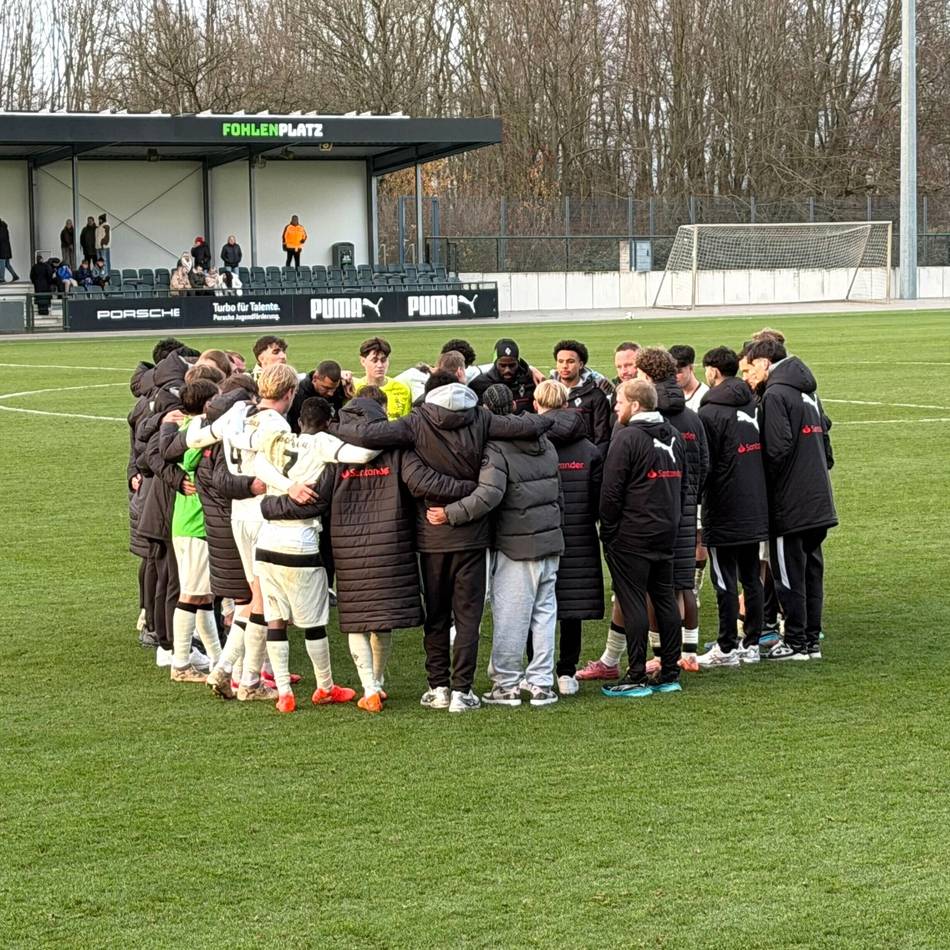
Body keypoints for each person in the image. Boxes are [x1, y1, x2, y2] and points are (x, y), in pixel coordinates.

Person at [334, 370, 555, 713]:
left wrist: (334, 425)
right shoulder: (481, 418)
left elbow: (368, 436)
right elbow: (527, 426)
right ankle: (462, 692)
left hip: (432, 536)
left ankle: (438, 687)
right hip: (473, 534)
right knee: (467, 619)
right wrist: (473, 491)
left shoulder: (416, 422)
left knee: (437, 616)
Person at [262, 392, 476, 713]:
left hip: (349, 550)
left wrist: (269, 505)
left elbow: (315, 500)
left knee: (358, 621)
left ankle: (370, 688)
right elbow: (420, 485)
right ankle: (378, 681)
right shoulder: (396, 451)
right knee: (382, 621)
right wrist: (471, 489)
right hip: (391, 546)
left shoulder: (336, 455)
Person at [428, 383, 563, 707]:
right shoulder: (544, 442)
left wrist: (450, 513)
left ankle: (506, 684)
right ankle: (542, 683)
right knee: (544, 613)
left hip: (517, 545)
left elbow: (488, 495)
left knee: (511, 616)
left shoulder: (496, 448)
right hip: (549, 540)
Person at [745, 337, 837, 661]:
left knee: (788, 574)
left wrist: (761, 486)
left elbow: (777, 449)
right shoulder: (808, 391)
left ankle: (795, 642)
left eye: (751, 367)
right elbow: (825, 440)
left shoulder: (776, 394)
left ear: (765, 362)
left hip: (790, 504)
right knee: (812, 571)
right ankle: (811, 641)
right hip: (819, 499)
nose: (750, 375)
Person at [600, 379, 686, 698]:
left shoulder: (627, 438)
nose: (615, 407)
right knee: (664, 598)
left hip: (632, 534)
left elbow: (611, 492)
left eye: (620, 401)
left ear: (636, 405)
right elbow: (686, 484)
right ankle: (670, 672)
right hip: (668, 532)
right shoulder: (675, 436)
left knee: (633, 600)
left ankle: (636, 675)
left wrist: (608, 530)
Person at [695, 347, 769, 668]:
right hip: (754, 501)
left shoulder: (709, 412)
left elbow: (705, 462)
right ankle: (751, 643)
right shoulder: (752, 403)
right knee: (751, 577)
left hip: (724, 505)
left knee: (724, 579)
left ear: (712, 371)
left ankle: (726, 646)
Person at [635, 347, 708, 670]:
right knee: (684, 582)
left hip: (656, 509)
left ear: (647, 375)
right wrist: (692, 494)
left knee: (656, 588)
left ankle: (660, 653)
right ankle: (688, 652)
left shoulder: (652, 416)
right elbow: (706, 462)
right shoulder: (691, 414)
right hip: (689, 506)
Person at [534, 379, 604, 695]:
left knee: (536, 604)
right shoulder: (589, 449)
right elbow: (601, 498)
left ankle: (537, 668)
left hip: (537, 533)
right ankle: (567, 671)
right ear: (566, 404)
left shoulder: (529, 443)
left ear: (537, 404)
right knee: (571, 608)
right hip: (579, 533)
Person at [168, 380, 224, 683]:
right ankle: (180, 662)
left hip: (191, 522)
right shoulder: (195, 430)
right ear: (206, 404)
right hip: (194, 522)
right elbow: (188, 457)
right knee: (191, 594)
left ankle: (216, 658)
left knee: (204, 596)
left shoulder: (191, 426)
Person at [552, 339, 612, 449]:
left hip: (584, 460)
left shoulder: (596, 395)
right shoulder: (548, 391)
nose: (564, 366)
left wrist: (596, 462)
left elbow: (602, 437)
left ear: (580, 364)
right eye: (560, 361)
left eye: (570, 361)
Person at [469, 338, 537, 413]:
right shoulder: (479, 385)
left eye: (512, 365)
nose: (507, 370)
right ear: (495, 363)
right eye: (502, 365)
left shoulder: (531, 381)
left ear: (518, 363)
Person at [353, 337, 413, 419]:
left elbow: (406, 422)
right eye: (374, 360)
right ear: (363, 361)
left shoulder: (402, 389)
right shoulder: (353, 389)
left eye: (383, 360)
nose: (380, 365)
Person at [287, 359, 352, 432]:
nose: (331, 393)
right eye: (326, 388)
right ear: (315, 378)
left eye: (334, 388)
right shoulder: (298, 395)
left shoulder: (341, 388)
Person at [670, 345, 709, 411]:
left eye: (679, 372)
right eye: (671, 372)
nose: (674, 376)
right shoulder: (670, 394)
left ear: (691, 367)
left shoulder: (705, 396)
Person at [0, 218, 19, 282]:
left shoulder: (1, 228)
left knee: (1, 263)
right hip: (6, 249)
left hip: (2, 249)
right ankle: (15, 275)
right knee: (7, 264)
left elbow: (1, 238)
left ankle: (1, 278)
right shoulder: (4, 227)